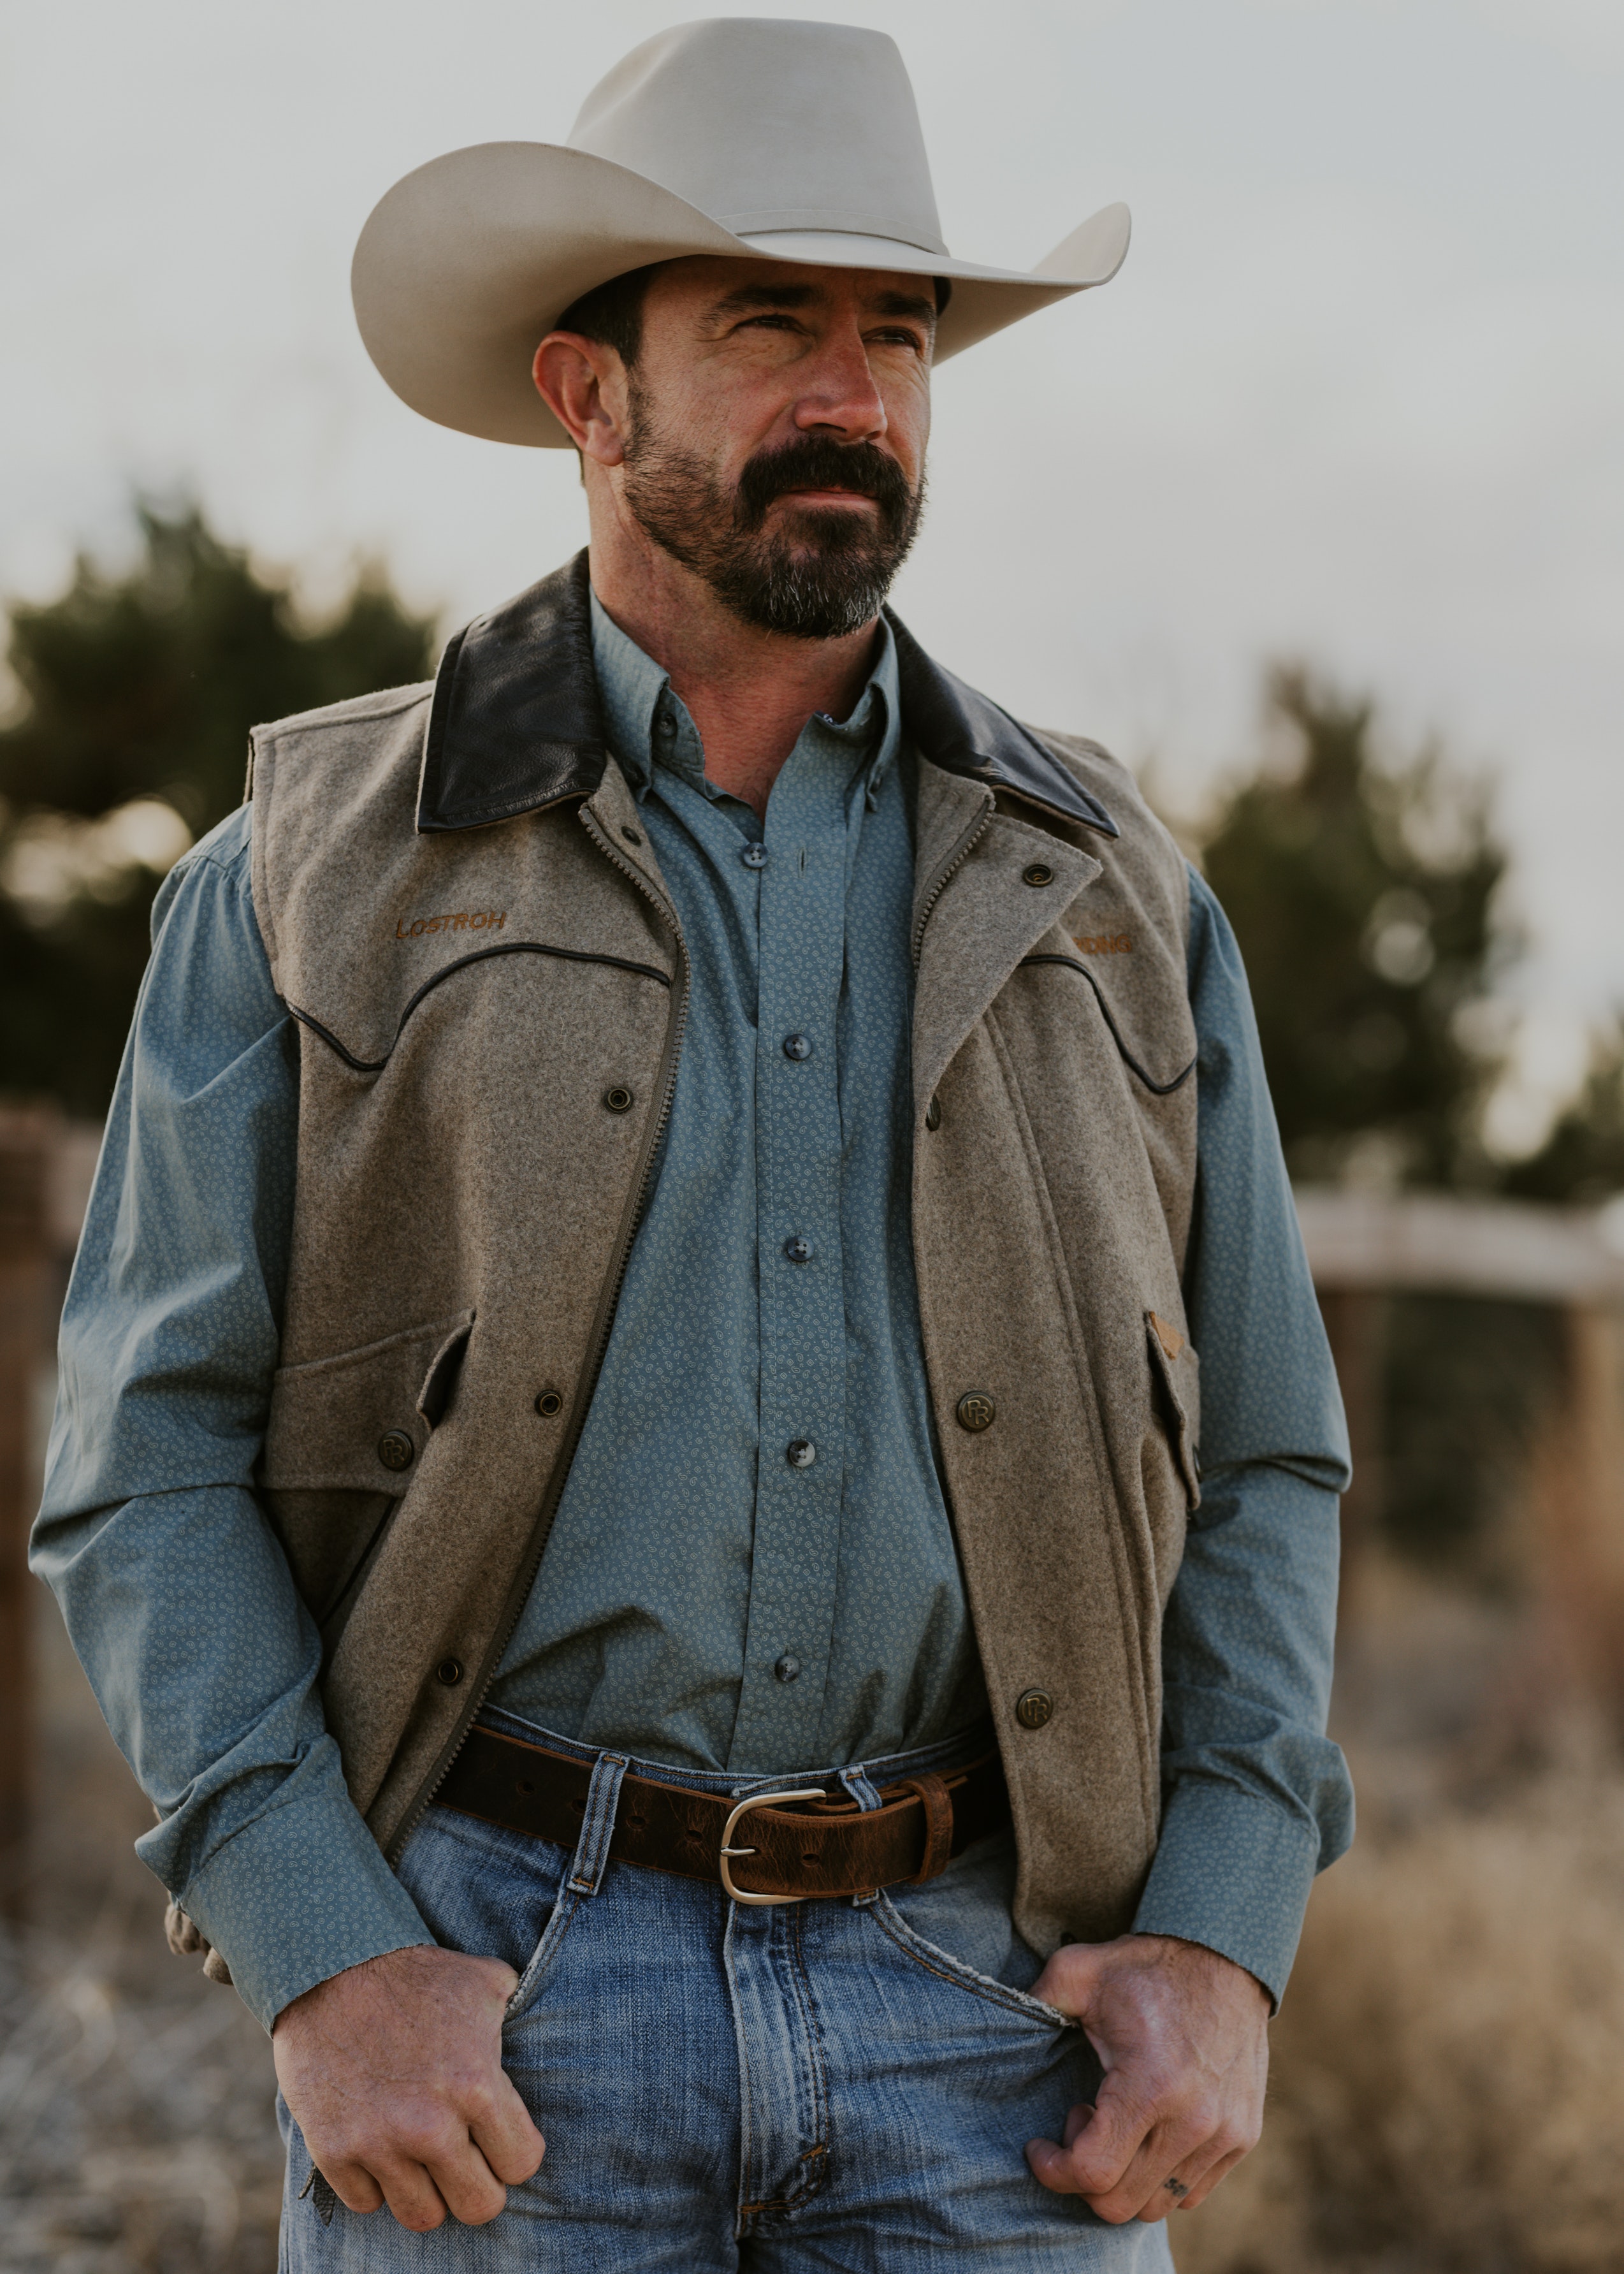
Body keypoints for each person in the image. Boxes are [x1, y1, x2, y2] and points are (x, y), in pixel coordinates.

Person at [34, 18, 1352, 2269]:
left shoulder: (1119, 885)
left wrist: (1220, 1932)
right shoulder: (304, 863)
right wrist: (322, 1950)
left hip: (992, 2013)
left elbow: (1264, 1461)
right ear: (585, 392)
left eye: (897, 333)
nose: (850, 391)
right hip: (490, 2014)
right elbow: (143, 1460)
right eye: (768, 325)